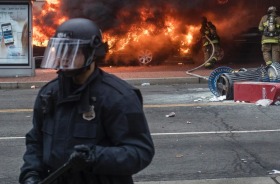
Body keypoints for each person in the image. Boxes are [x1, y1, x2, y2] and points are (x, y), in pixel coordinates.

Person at [19, 18, 155, 184]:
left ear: (92, 53)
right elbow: (36, 141)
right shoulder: (49, 94)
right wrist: (30, 174)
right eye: (60, 51)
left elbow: (140, 152)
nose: (64, 58)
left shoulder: (118, 97)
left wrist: (95, 157)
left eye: (72, 51)